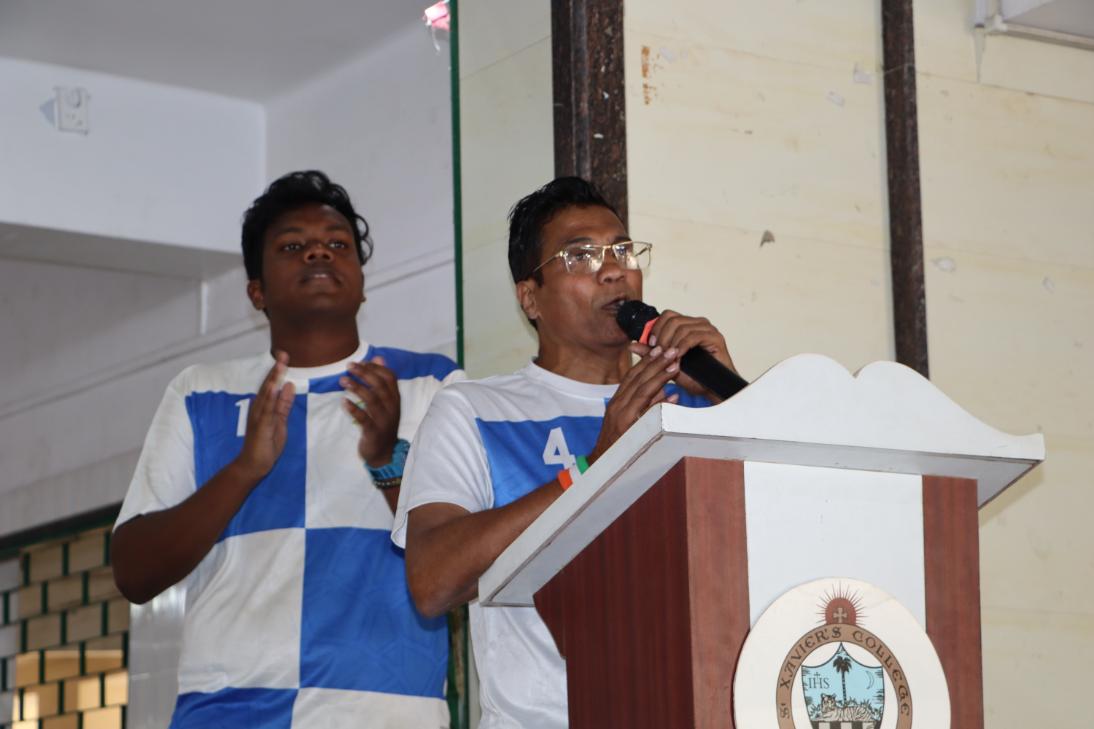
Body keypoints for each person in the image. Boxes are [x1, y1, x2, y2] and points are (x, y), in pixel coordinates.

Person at [112, 170, 462, 728]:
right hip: (229, 712)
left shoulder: (432, 385)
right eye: (293, 246)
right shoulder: (201, 392)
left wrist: (387, 460)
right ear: (257, 291)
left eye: (337, 244)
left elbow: (461, 562)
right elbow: (133, 572)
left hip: (384, 711)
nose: (318, 253)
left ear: (362, 283)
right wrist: (244, 470)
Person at [393, 176, 737, 728]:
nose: (613, 270)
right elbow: (433, 582)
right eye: (580, 256)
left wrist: (730, 396)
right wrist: (593, 468)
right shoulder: (475, 410)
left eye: (622, 250)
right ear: (529, 297)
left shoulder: (699, 403)